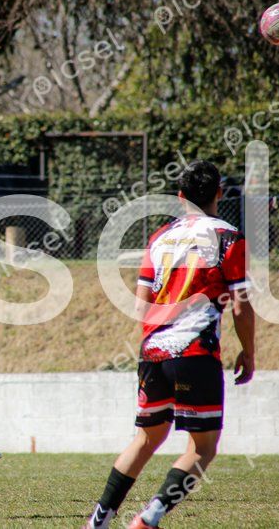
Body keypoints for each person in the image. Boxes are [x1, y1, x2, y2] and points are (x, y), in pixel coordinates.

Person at [87, 160, 256, 529]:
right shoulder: (230, 237)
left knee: (146, 439)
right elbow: (240, 305)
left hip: (152, 352)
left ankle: (97, 522)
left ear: (180, 197)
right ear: (220, 193)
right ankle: (148, 518)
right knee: (203, 448)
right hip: (195, 351)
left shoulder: (159, 237)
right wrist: (249, 351)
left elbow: (140, 307)